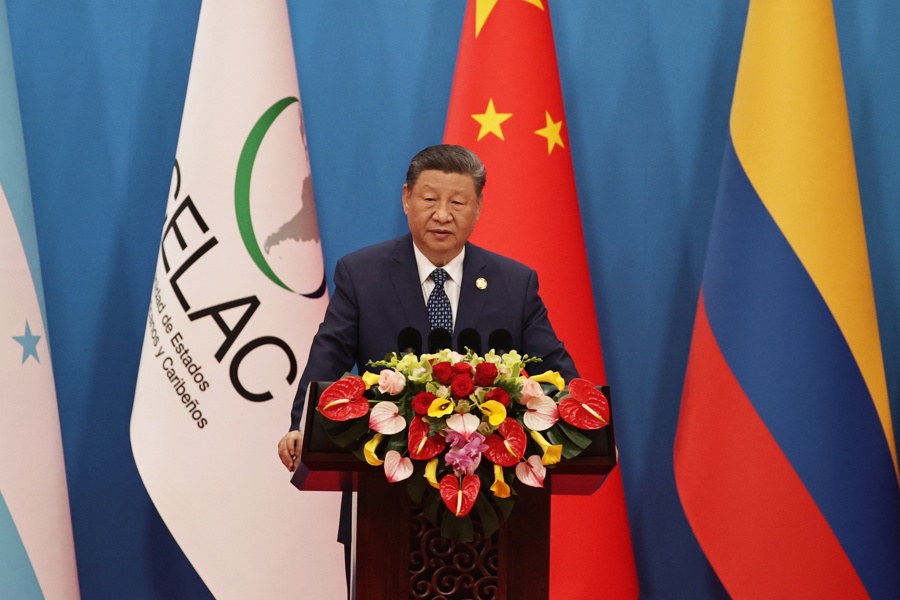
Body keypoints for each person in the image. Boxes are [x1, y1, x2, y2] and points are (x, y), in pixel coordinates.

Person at [275, 144, 578, 591]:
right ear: (406, 199)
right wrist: (300, 423)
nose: (442, 214)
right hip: (385, 502)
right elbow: (328, 358)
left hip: (494, 508)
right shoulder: (363, 274)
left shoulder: (514, 284)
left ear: (477, 209)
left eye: (458, 202)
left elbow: (559, 375)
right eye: (429, 199)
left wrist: (581, 419)